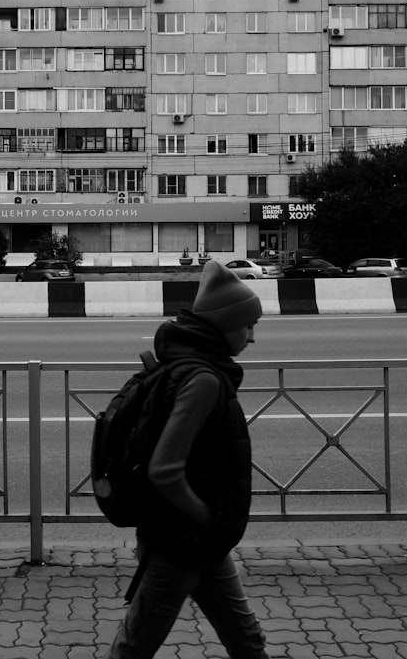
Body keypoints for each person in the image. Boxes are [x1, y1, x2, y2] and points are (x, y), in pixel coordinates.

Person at [106, 259, 269, 659]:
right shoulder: (203, 380)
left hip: (197, 537)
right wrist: (207, 517)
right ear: (225, 325)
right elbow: (165, 470)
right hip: (181, 540)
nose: (252, 338)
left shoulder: (187, 368)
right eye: (249, 326)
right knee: (135, 646)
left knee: (246, 639)